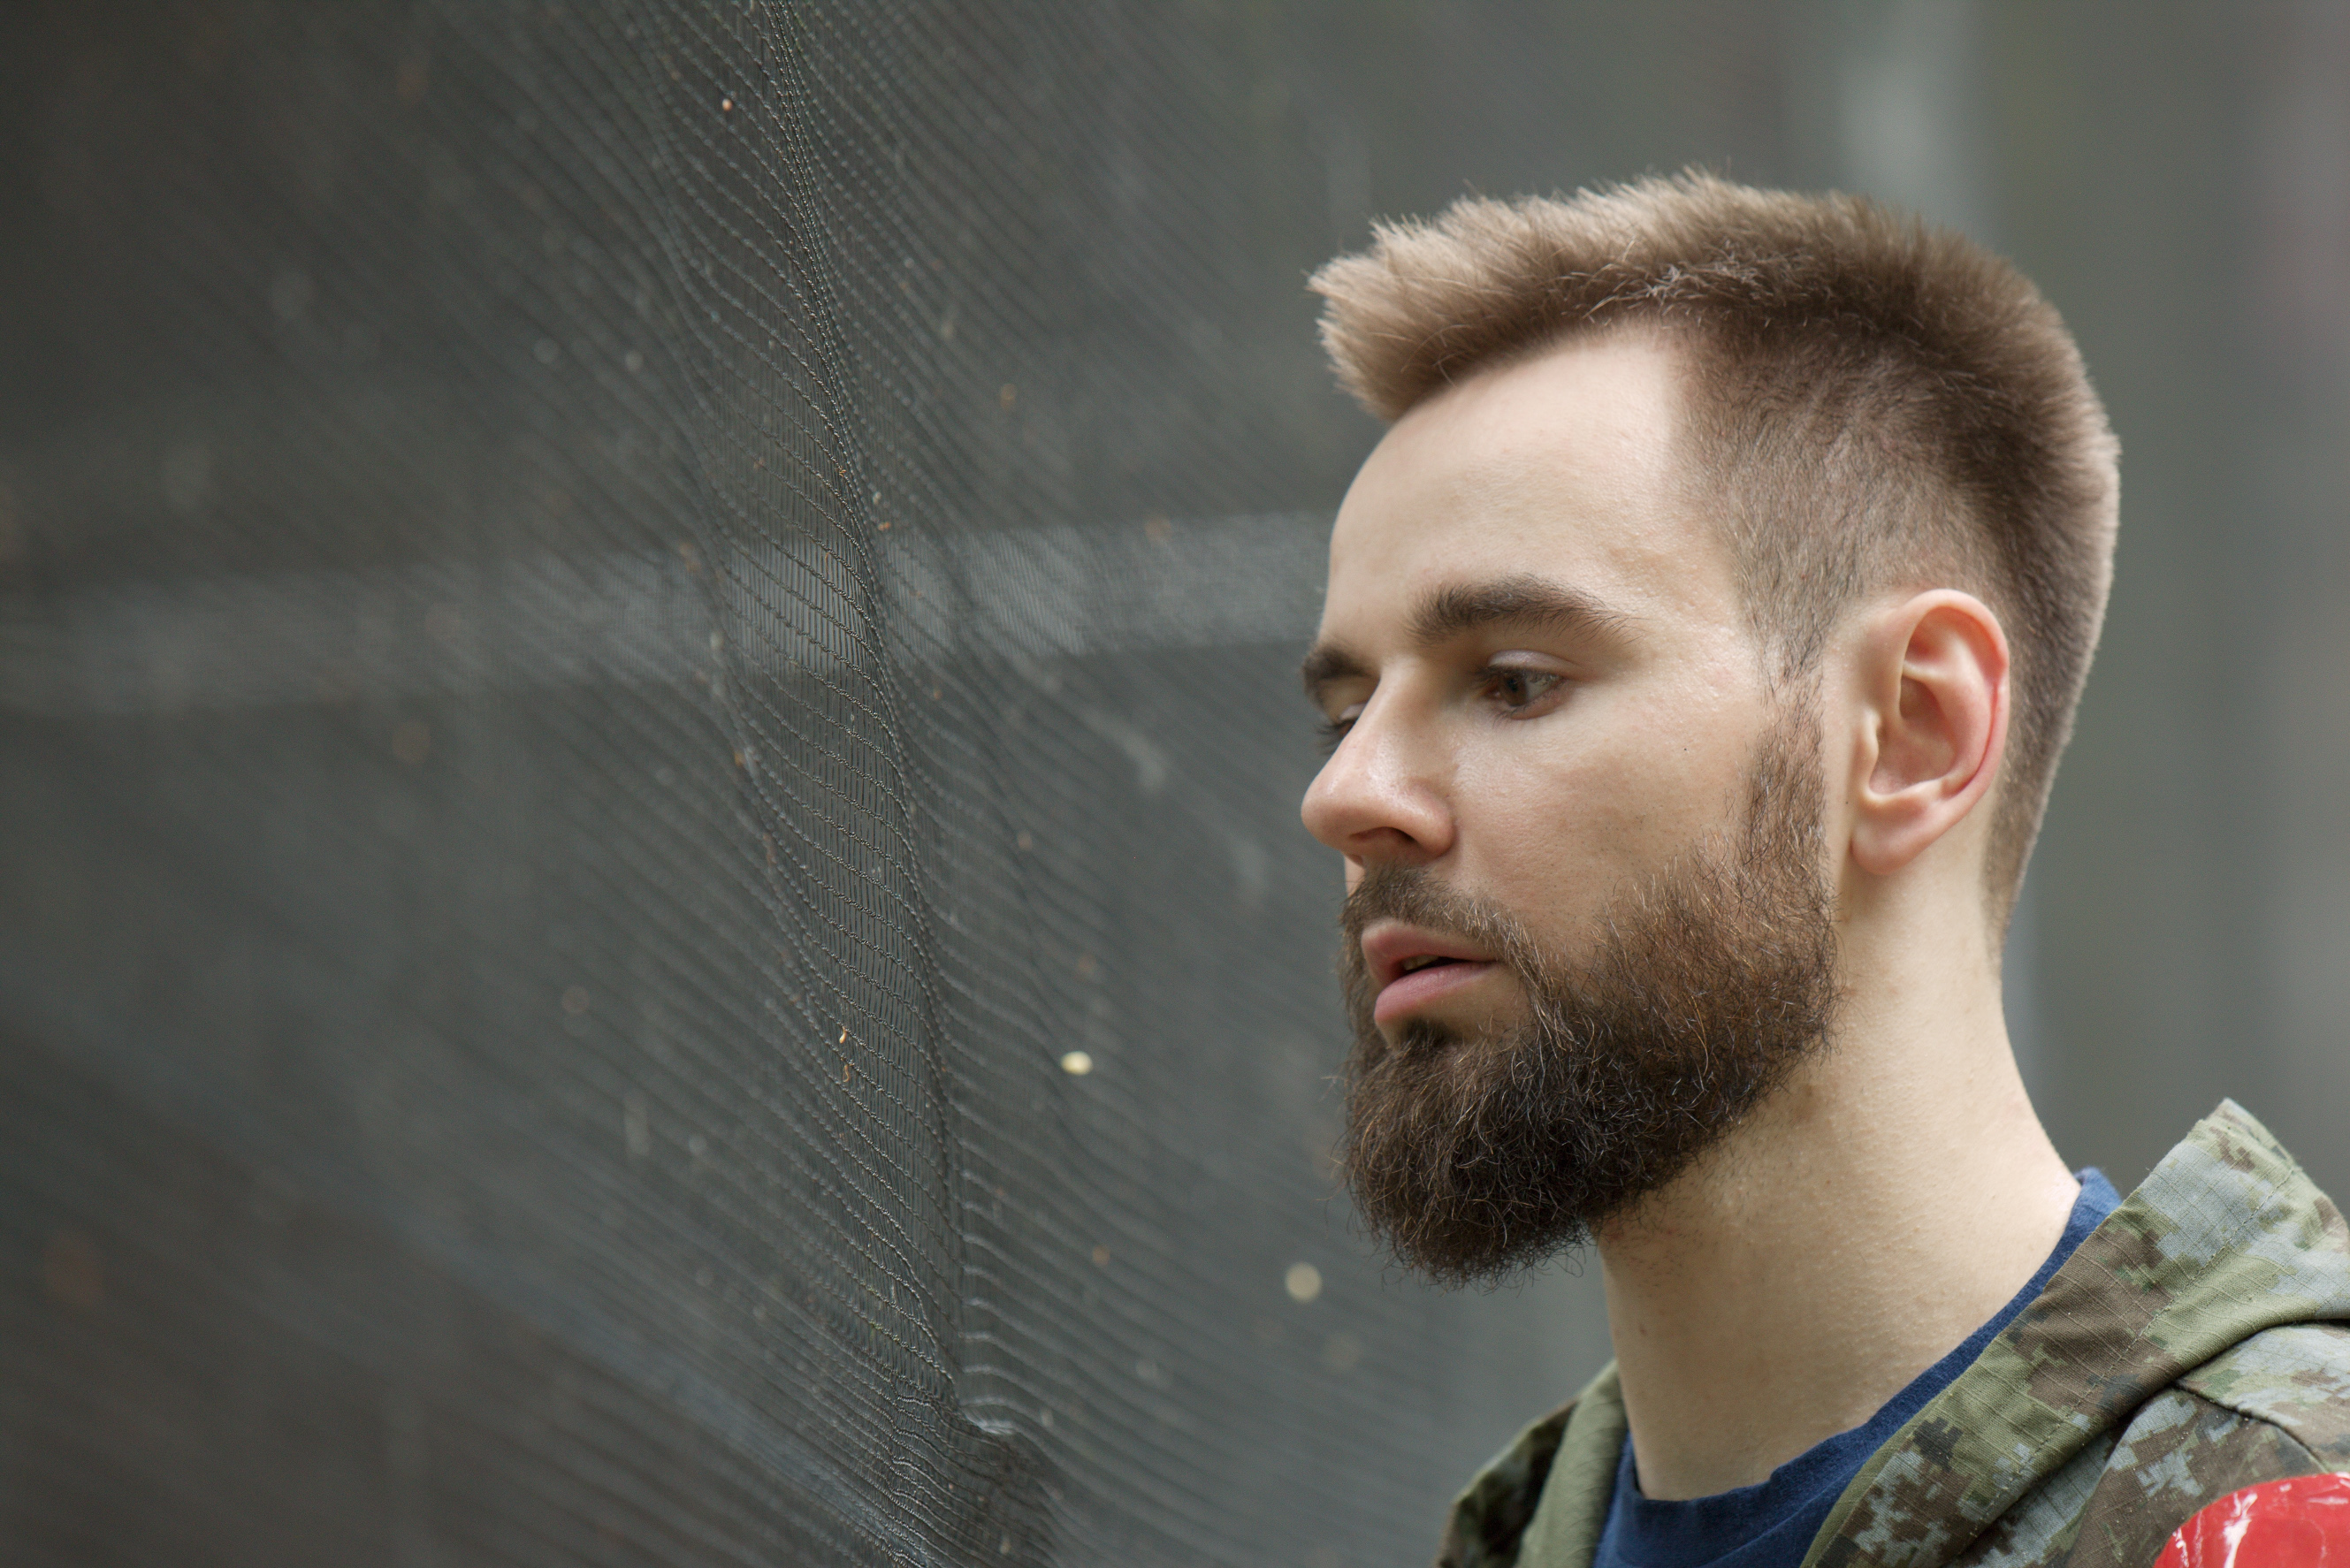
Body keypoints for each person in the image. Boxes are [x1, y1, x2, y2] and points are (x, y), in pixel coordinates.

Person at [1296, 172, 2350, 1568]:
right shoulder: (1509, 1541)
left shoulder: (2268, 1518)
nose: (1345, 795)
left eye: (1514, 680)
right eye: (1343, 712)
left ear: (1913, 729)